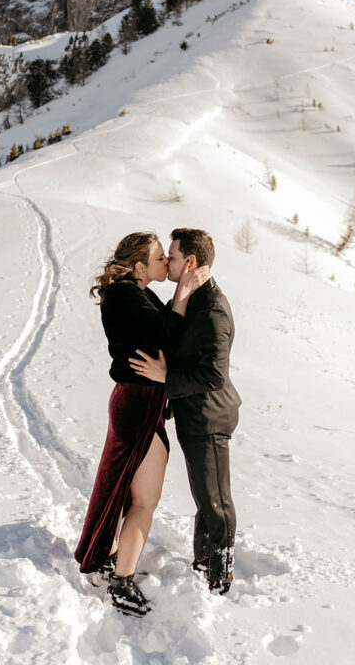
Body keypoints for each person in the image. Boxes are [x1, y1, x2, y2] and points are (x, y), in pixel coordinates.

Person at [74, 231, 208, 616]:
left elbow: (159, 329)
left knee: (131, 494)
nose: (166, 262)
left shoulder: (134, 294)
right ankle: (121, 581)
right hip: (137, 402)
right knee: (144, 500)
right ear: (139, 266)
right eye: (159, 258)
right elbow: (166, 333)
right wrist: (183, 294)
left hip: (140, 401)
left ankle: (112, 559)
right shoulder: (126, 295)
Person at [130, 228, 240, 595]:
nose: (167, 262)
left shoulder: (212, 310)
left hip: (209, 416)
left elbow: (212, 374)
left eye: (172, 256)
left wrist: (166, 377)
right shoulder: (193, 297)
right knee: (203, 494)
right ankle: (203, 561)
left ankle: (221, 575)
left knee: (215, 498)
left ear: (190, 261)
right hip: (194, 413)